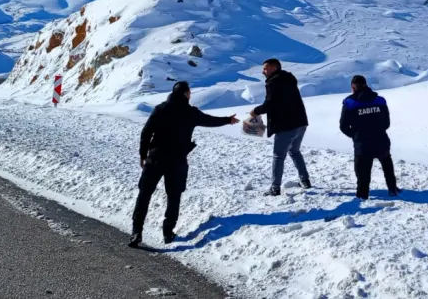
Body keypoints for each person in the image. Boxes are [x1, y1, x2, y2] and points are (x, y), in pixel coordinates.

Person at [129, 81, 239, 248]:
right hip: (177, 160)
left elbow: (146, 132)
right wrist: (228, 120)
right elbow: (209, 121)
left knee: (144, 194)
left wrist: (143, 154)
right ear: (186, 93)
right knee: (174, 196)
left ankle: (136, 231)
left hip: (156, 157)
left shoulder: (160, 108)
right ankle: (168, 232)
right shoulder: (190, 112)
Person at [250, 58, 311, 196]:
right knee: (295, 151)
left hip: (285, 125)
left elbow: (270, 104)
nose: (263, 71)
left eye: (265, 68)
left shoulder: (273, 82)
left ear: (274, 68)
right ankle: (305, 180)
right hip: (300, 122)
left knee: (278, 157)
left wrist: (256, 111)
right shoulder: (289, 78)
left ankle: (275, 188)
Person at [339, 75, 400, 200]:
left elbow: (343, 126)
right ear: (366, 85)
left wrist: (355, 136)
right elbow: (387, 123)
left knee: (362, 172)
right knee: (387, 164)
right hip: (381, 139)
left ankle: (363, 194)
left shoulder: (349, 102)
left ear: (353, 87)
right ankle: (392, 188)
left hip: (362, 143)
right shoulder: (380, 100)